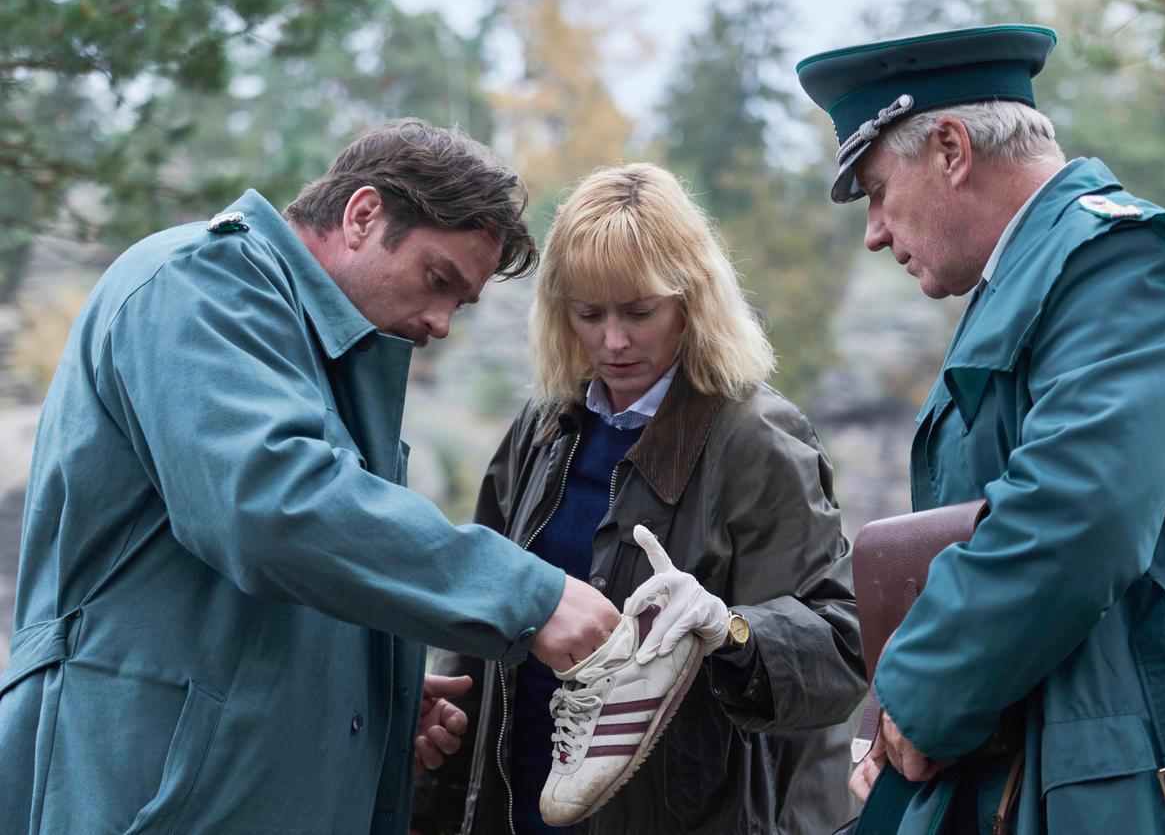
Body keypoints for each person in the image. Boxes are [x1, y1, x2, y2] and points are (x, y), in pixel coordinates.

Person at [0, 119, 620, 834]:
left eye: (462, 302)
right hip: (129, 799)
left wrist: (360, 694)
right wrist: (532, 596)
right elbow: (269, 507)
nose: (443, 323)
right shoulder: (200, 284)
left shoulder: (322, 358)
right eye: (437, 279)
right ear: (362, 216)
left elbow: (268, 580)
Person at [797, 24, 1165, 833]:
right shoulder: (1039, 283)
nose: (875, 229)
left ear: (951, 149)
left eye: (878, 190)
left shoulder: (1121, 264)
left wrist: (917, 700)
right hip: (1066, 774)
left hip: (1155, 789)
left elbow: (1076, 517)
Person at [413, 162, 865, 835]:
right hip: (517, 811)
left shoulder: (757, 440)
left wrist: (731, 631)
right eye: (589, 314)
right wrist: (441, 744)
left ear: (693, 299)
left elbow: (840, 652)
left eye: (640, 311)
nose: (613, 341)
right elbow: (478, 620)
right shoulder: (543, 431)